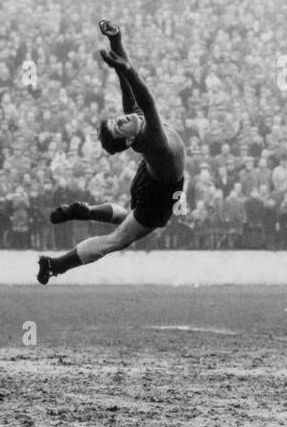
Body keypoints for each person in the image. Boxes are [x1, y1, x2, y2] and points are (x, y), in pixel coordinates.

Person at [37, 21, 186, 284]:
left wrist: (116, 41)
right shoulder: (152, 139)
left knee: (128, 218)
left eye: (116, 120)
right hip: (158, 194)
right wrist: (126, 68)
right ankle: (55, 265)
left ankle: (87, 210)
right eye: (119, 127)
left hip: (151, 180)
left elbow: (126, 84)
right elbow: (146, 98)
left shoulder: (135, 122)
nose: (121, 119)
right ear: (128, 140)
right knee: (116, 240)